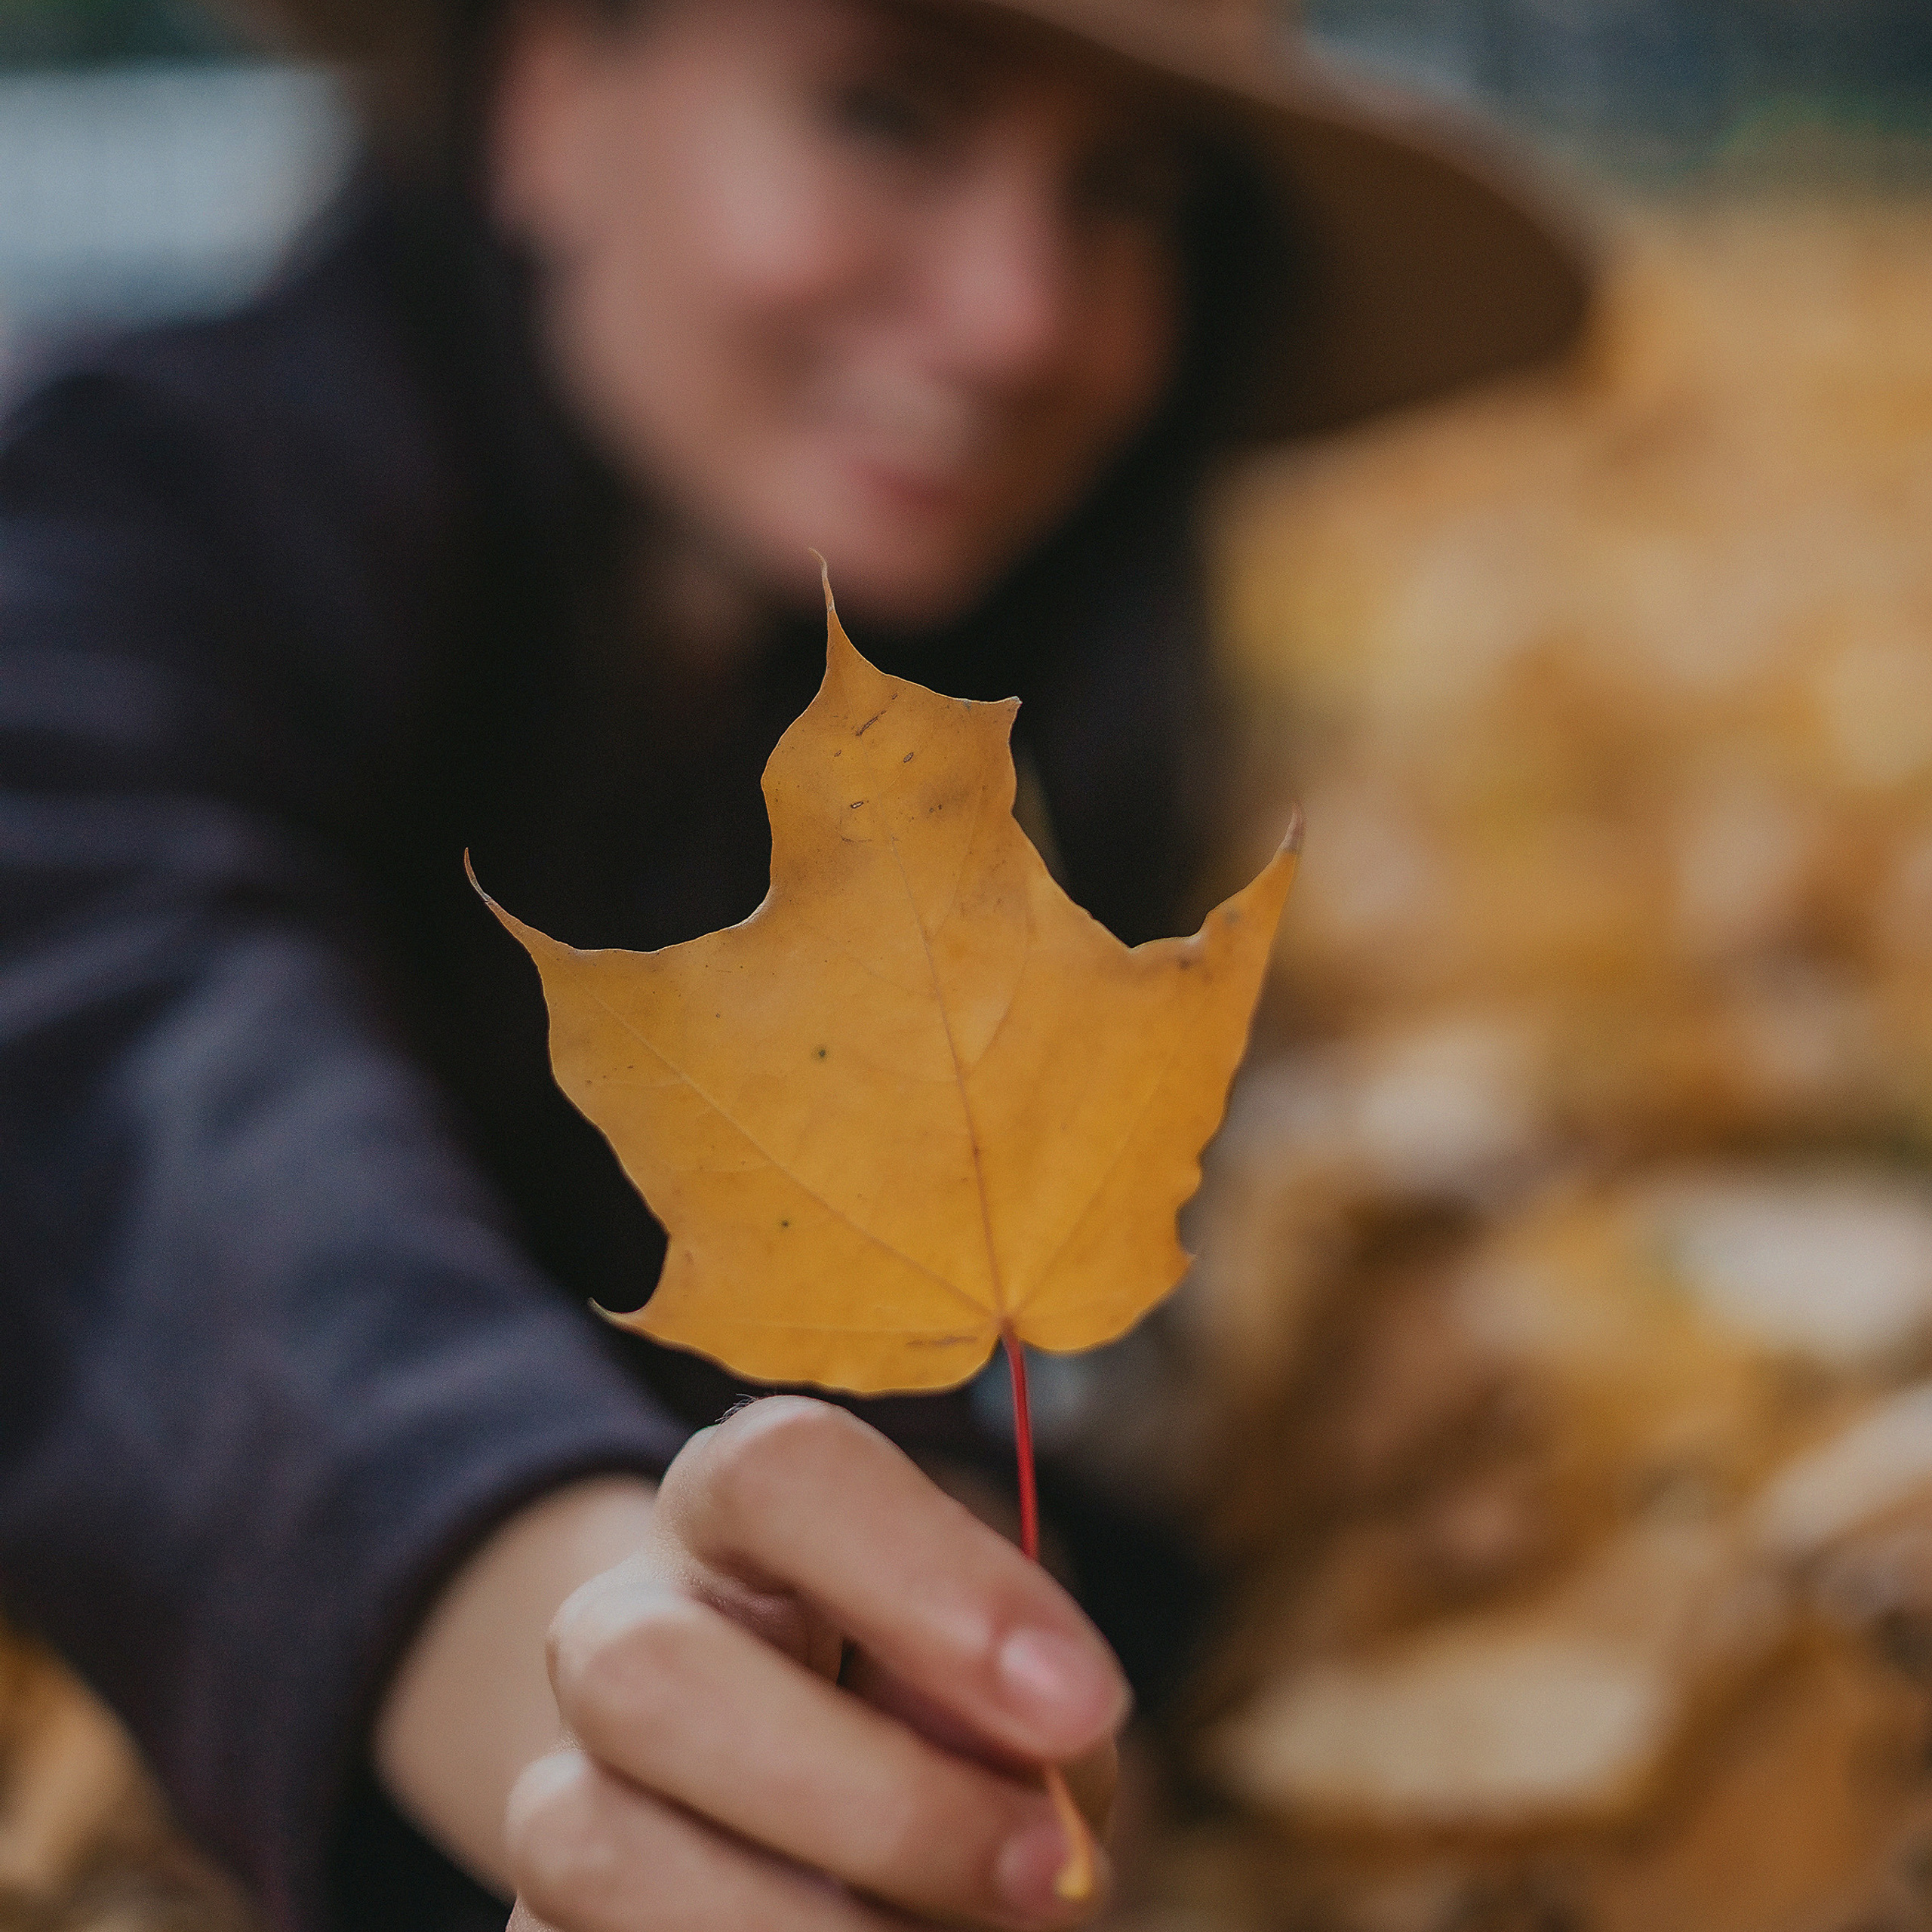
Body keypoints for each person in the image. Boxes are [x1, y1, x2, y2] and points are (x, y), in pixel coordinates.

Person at [0, 2, 1589, 1928]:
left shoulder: (1027, 730)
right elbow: (110, 1074)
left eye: (1121, 195)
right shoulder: (127, 520)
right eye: (882, 115)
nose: (1017, 314)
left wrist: (985, 1713)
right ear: (551, 95)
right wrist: (566, 1637)